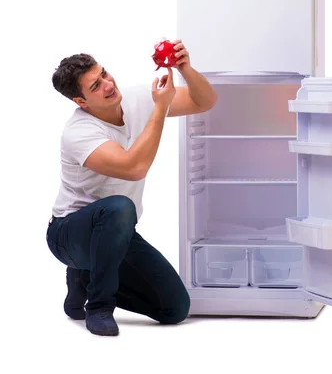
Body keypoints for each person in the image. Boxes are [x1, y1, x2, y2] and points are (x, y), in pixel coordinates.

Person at [46, 40, 218, 336]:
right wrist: (161, 108)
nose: (108, 84)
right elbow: (134, 167)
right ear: (81, 102)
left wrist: (184, 69)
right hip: (69, 234)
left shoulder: (137, 98)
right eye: (95, 85)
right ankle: (99, 305)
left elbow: (205, 101)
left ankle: (85, 280)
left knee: (175, 308)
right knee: (119, 206)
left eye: (105, 74)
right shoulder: (79, 133)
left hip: (116, 233)